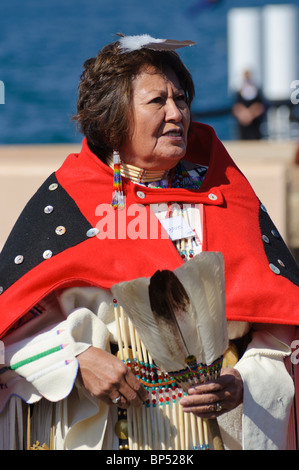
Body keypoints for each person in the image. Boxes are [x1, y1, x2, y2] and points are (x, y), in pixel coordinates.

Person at [0, 34, 298, 451]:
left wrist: (243, 379)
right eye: (158, 102)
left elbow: (281, 321)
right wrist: (76, 360)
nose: (177, 113)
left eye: (181, 99)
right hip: (105, 434)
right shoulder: (71, 201)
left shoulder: (228, 195)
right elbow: (10, 325)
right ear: (112, 118)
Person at [232, 70, 265, 140]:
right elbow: (236, 106)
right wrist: (244, 116)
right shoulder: (240, 90)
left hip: (255, 123)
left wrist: (251, 114)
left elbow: (259, 105)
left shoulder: (256, 89)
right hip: (243, 124)